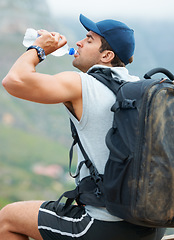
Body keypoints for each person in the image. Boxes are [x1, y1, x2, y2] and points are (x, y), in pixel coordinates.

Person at [0, 14, 165, 240]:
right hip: (151, 224)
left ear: (106, 55)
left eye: (88, 39)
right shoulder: (142, 90)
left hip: (105, 226)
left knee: (8, 218)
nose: (78, 42)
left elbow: (14, 81)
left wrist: (38, 49)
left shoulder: (82, 84)